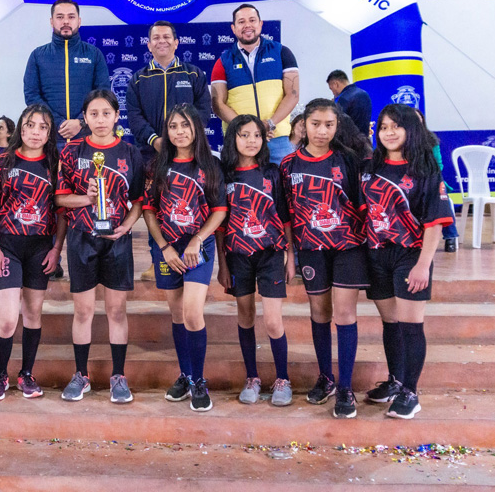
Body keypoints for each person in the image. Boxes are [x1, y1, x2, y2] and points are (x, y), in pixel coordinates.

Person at [361, 104, 454, 419]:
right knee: (390, 323)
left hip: (410, 255)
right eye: (383, 127)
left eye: (396, 126)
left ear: (410, 130)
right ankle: (396, 381)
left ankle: (410, 393)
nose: (388, 132)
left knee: (410, 326)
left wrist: (422, 265)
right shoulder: (370, 167)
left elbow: (435, 223)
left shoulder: (425, 170)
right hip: (377, 254)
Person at [280, 98, 369, 419]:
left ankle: (345, 387)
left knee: (344, 314)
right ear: (303, 125)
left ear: (337, 126)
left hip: (348, 247)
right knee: (319, 312)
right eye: (315, 124)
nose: (322, 131)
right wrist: (290, 253)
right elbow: (286, 215)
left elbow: (364, 204)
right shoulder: (288, 165)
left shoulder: (349, 160)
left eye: (329, 125)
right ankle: (326, 377)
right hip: (310, 249)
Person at [54, 90, 144, 403]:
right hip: (81, 238)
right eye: (93, 114)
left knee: (117, 310)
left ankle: (118, 375)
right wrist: (87, 198)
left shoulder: (129, 152)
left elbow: (139, 201)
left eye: (106, 113)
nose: (101, 120)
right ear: (85, 118)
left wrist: (126, 227)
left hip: (117, 240)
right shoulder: (71, 151)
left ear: (117, 116)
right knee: (83, 310)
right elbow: (59, 198)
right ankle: (81, 374)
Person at [0, 104, 66, 401]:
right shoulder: (1, 163)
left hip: (40, 247)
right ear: (20, 129)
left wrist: (56, 249)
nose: (36, 132)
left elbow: (62, 212)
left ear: (49, 133)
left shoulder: (56, 164)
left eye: (43, 127)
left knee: (33, 314)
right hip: (7, 247)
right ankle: (0, 375)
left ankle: (26, 374)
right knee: (7, 318)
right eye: (30, 125)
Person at [143, 104, 226, 412]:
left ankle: (199, 381)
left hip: (197, 247)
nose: (179, 132)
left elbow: (219, 210)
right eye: (173, 126)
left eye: (185, 125)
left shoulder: (211, 164)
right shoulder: (157, 166)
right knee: (177, 314)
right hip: (167, 248)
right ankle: (186, 375)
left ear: (197, 129)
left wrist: (198, 239)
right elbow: (149, 210)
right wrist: (164, 247)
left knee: (192, 312)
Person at [216, 115, 294, 407]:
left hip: (270, 254)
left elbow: (285, 217)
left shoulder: (272, 172)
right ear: (233, 138)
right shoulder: (225, 175)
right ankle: (252, 377)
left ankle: (283, 378)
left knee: (273, 321)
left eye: (257, 135)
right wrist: (223, 264)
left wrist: (290, 257)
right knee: (245, 316)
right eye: (244, 135)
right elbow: (220, 224)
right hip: (238, 256)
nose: (251, 140)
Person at [126, 20, 211, 282]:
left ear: (176, 42)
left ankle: (193, 255)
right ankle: (157, 260)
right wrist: (155, 140)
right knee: (154, 208)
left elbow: (204, 112)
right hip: (152, 154)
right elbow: (134, 116)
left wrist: (183, 140)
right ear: (148, 44)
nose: (161, 41)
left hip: (189, 154)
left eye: (166, 37)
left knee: (187, 205)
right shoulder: (138, 78)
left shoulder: (194, 74)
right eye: (156, 37)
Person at [211, 3, 300, 164]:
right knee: (239, 181)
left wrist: (270, 124)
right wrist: (248, 130)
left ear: (260, 24)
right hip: (239, 140)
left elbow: (293, 94)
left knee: (285, 180)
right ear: (233, 28)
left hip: (277, 138)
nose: (247, 25)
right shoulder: (222, 62)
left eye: (252, 20)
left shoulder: (281, 52)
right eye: (241, 21)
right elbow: (218, 104)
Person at [24, 0, 109, 150]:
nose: (65, 21)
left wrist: (81, 122)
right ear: (51, 21)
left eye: (71, 17)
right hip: (50, 137)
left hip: (86, 136)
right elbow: (32, 95)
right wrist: (57, 122)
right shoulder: (38, 55)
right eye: (60, 17)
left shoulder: (94, 54)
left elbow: (103, 94)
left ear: (79, 21)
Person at [415, 109, 459, 252]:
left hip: (430, 179)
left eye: (418, 118)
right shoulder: (401, 139)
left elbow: (438, 165)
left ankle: (450, 236)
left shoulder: (431, 140)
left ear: (422, 120)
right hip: (408, 180)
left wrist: (423, 174)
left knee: (441, 199)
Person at [327, 70, 372, 138]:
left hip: (349, 141)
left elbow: (338, 124)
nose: (332, 92)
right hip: (364, 140)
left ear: (336, 84)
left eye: (331, 89)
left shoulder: (343, 99)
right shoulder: (365, 94)